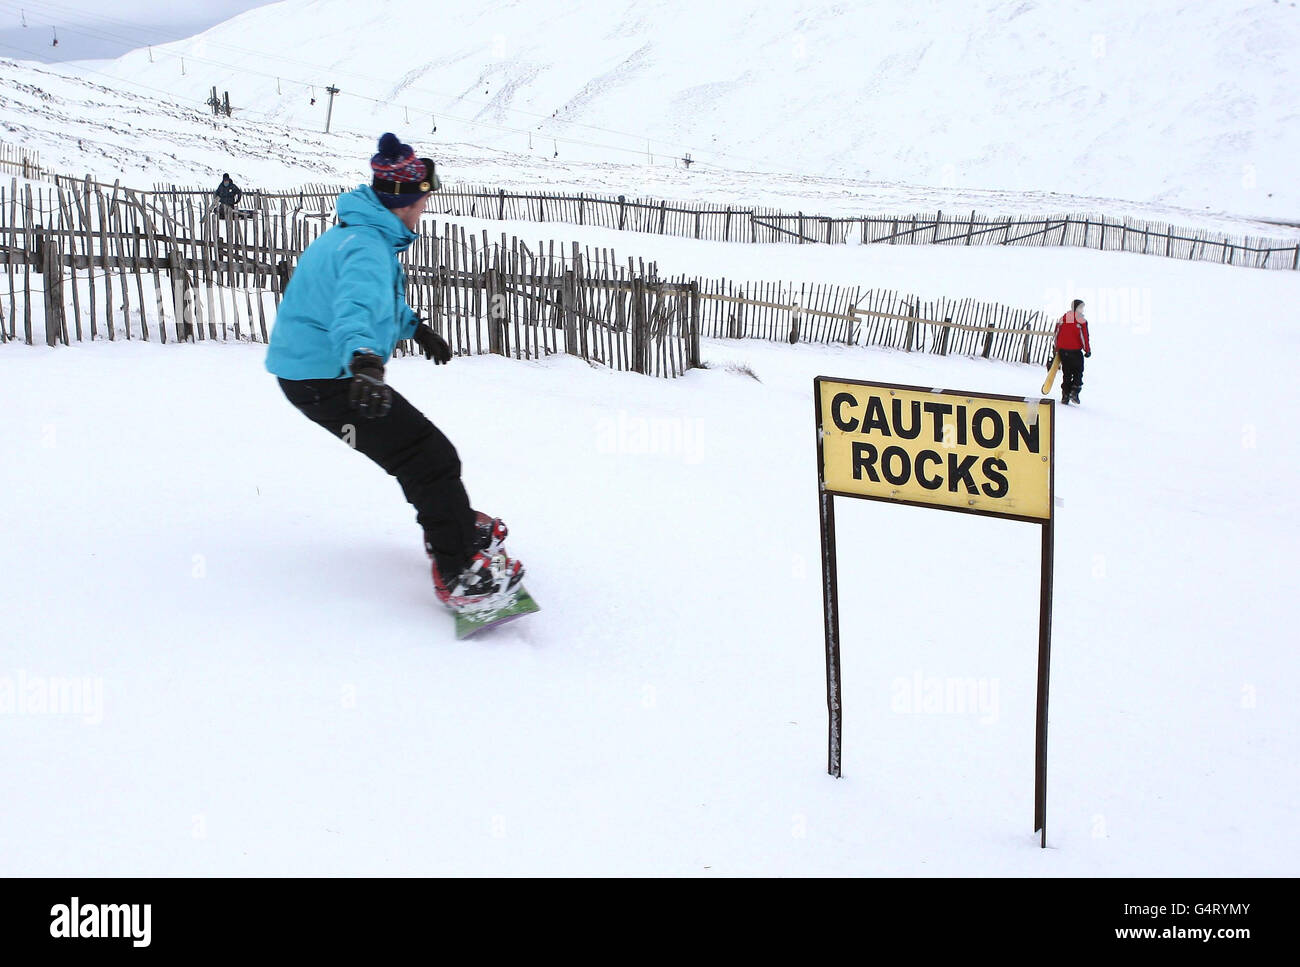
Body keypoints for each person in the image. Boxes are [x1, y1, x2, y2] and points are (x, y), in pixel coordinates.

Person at [265, 133, 523, 610]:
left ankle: (451, 523)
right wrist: (364, 360)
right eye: (426, 195)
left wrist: (415, 328)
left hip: (316, 374)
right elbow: (355, 308)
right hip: (327, 379)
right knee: (428, 458)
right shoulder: (366, 245)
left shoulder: (365, 234)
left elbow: (376, 300)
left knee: (423, 456)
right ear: (408, 198)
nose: (428, 203)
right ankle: (458, 570)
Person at [1054, 299, 1091, 405]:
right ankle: (1074, 391)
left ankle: (1065, 395)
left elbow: (1057, 333)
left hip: (1063, 351)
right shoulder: (1081, 321)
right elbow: (1084, 337)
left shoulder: (1063, 319)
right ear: (1077, 308)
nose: (1082, 310)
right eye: (1081, 307)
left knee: (1067, 373)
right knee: (1078, 372)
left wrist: (1057, 348)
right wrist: (1087, 350)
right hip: (1075, 351)